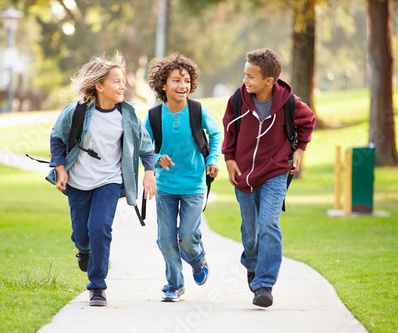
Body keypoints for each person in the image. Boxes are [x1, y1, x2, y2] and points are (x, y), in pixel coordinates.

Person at [47, 52, 157, 307]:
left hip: (109, 180)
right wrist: (60, 168)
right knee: (81, 233)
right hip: (78, 181)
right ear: (99, 86)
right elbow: (57, 138)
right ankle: (83, 250)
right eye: (116, 82)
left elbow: (146, 145)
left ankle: (97, 287)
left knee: (100, 229)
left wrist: (149, 172)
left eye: (123, 81)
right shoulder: (76, 111)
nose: (122, 86)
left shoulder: (126, 115)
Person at [222, 48, 315, 308]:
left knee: (269, 223)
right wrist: (229, 159)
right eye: (245, 75)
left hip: (275, 171)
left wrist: (299, 150)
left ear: (269, 81)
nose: (246, 81)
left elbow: (308, 121)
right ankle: (252, 263)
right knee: (250, 231)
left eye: (251, 77)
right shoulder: (237, 100)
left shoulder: (289, 103)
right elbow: (229, 128)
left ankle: (264, 283)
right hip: (243, 175)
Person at [145, 52, 221, 302]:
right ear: (163, 85)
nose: (183, 85)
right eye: (176, 80)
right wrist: (156, 160)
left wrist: (212, 160)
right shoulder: (154, 116)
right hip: (165, 186)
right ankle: (174, 285)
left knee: (187, 237)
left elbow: (216, 135)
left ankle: (198, 260)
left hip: (194, 185)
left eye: (187, 80)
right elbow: (143, 146)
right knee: (165, 240)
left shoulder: (198, 111)